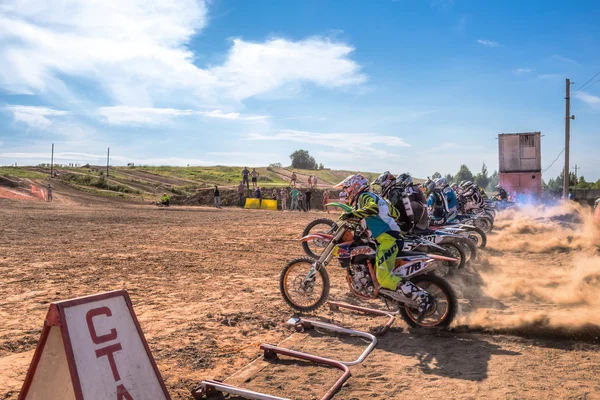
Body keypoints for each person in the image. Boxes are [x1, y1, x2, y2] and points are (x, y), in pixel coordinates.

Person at [336, 174, 433, 319]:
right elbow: (395, 213)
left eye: (347, 188)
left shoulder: (364, 197)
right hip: (388, 237)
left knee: (384, 278)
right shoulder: (379, 197)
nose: (346, 191)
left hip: (387, 239)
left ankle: (422, 298)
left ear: (354, 187)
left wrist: (353, 214)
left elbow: (373, 209)